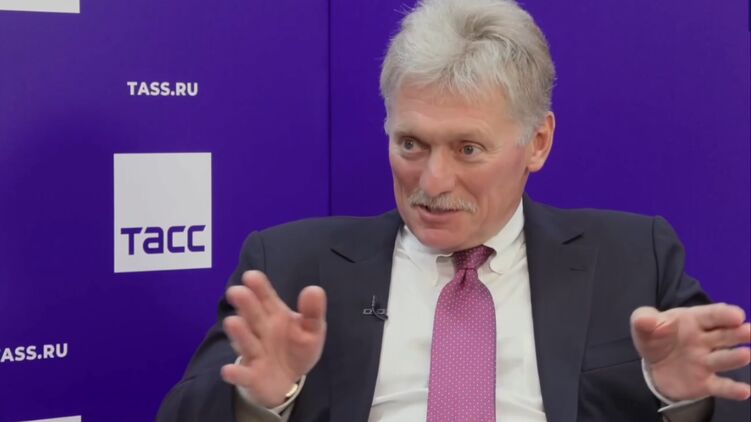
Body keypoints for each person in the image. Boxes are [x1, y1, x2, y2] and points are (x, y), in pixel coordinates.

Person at [157, 0, 751, 421]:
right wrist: (260, 401)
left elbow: (726, 395)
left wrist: (687, 403)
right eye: (411, 144)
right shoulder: (291, 265)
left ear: (537, 143)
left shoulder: (635, 259)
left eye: (468, 149)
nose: (432, 181)